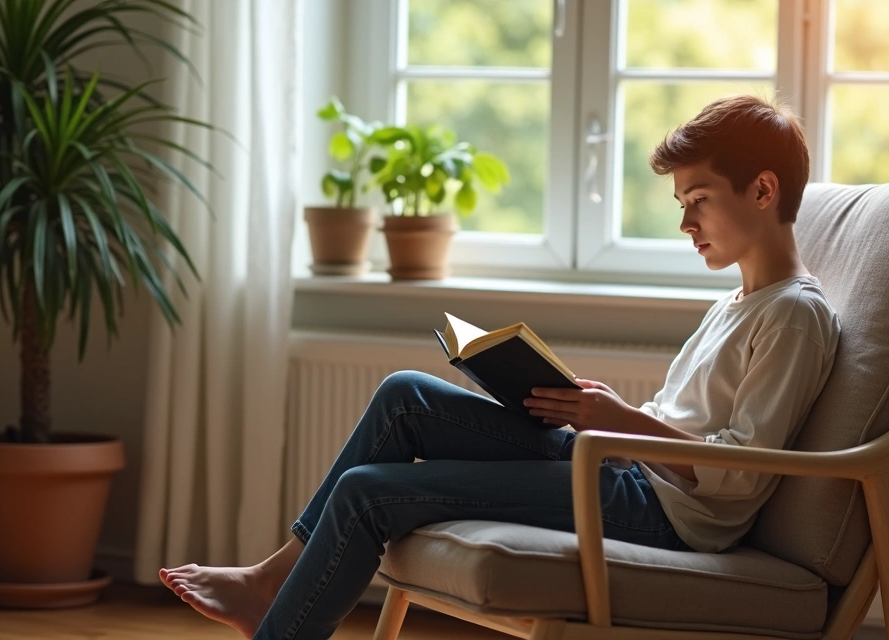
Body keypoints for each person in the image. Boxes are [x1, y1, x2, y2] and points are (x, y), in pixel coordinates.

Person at [159, 94, 841, 639]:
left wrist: (623, 421)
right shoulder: (738, 303)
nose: (687, 223)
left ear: (762, 190)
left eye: (698, 201)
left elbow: (743, 472)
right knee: (405, 397)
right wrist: (596, 408)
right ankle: (273, 578)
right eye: (682, 206)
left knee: (371, 493)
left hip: (667, 515)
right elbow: (682, 424)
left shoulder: (792, 316)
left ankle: (279, 613)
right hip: (624, 465)